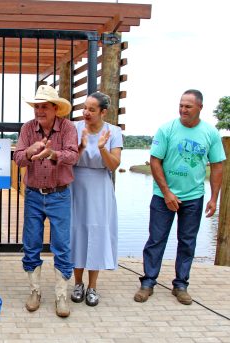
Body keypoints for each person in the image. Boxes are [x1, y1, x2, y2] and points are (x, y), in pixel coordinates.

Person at [134, 89, 225, 305]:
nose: (183, 109)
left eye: (188, 106)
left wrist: (214, 198)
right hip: (162, 196)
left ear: (200, 108)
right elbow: (155, 161)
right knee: (156, 240)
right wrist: (167, 193)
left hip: (194, 197)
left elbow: (218, 166)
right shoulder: (167, 129)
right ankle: (148, 282)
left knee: (187, 242)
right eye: (181, 105)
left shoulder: (210, 133)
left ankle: (181, 285)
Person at [13, 85, 78, 318]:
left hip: (59, 193)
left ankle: (61, 295)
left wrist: (53, 154)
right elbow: (18, 158)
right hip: (33, 194)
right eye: (36, 106)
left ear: (55, 108)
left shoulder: (68, 128)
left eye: (44, 106)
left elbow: (73, 155)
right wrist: (30, 151)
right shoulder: (27, 128)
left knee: (62, 245)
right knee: (31, 243)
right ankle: (35, 290)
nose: (39, 111)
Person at [69, 92, 122, 307]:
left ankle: (93, 286)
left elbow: (113, 165)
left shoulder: (114, 132)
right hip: (77, 184)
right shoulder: (74, 128)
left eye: (92, 109)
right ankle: (78, 283)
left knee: (97, 232)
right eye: (84, 108)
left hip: (100, 185)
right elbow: (69, 158)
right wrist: (81, 146)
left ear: (103, 112)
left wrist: (101, 148)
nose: (86, 112)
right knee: (77, 231)